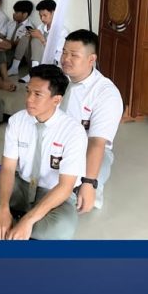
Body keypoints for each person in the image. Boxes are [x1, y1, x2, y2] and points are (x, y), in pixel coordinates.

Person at [0, 64, 86, 239]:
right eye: (28, 91)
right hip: (21, 185)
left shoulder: (73, 132)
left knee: (62, 229)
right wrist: (3, 207)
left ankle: (3, 220)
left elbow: (65, 187)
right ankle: (8, 219)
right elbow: (8, 168)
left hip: (52, 193)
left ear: (56, 100)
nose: (29, 99)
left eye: (37, 94)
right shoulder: (17, 121)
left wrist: (28, 220)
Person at [58, 30, 123, 211]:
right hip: (56, 144)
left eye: (74, 55)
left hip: (87, 149)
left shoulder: (105, 93)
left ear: (91, 59)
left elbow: (97, 143)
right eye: (64, 52)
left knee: (76, 196)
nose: (66, 59)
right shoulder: (57, 80)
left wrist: (88, 182)